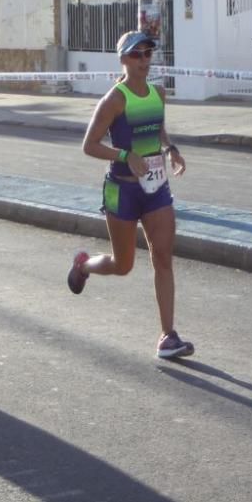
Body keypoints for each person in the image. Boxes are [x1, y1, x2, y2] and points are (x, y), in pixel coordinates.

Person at [67, 30, 194, 359]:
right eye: (136, 54)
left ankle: (168, 336)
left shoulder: (158, 93)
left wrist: (171, 149)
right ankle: (84, 266)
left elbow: (157, 128)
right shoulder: (114, 99)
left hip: (155, 190)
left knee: (162, 257)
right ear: (123, 59)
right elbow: (89, 145)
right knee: (123, 265)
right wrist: (125, 156)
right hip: (122, 191)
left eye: (148, 53)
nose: (143, 60)